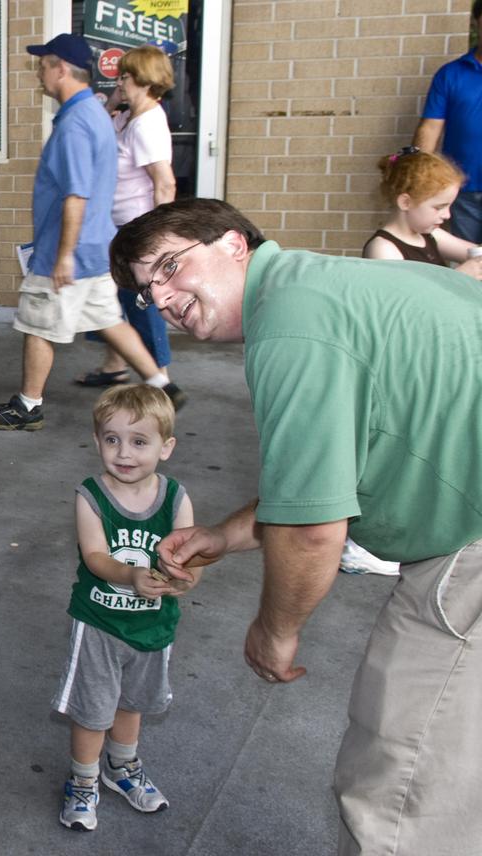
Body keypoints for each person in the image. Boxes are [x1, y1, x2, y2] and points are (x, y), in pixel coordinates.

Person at [108, 196, 482, 856]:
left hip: (468, 547)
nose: (160, 298)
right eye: (146, 291)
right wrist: (224, 535)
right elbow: (324, 473)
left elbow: (313, 527)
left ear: (233, 244)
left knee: (396, 788)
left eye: (168, 267)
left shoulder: (290, 325)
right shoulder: (320, 286)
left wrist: (274, 631)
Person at [0, 34, 184, 431]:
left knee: (38, 326)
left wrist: (63, 255)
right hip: (98, 246)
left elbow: (76, 195)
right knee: (110, 319)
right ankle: (162, 384)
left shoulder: (76, 123)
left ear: (59, 69)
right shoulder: (95, 114)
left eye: (42, 65)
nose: (38, 73)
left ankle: (28, 406)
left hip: (67, 248)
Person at [52, 384, 195, 832]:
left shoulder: (175, 498)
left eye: (139, 441)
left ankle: (122, 767)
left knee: (132, 703)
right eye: (111, 439)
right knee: (93, 708)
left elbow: (191, 558)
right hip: (99, 622)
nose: (124, 452)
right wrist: (132, 576)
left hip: (153, 627)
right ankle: (83, 779)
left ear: (165, 447)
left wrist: (181, 579)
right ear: (97, 442)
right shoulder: (90, 494)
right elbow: (95, 557)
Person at [78, 45, 179, 388]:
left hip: (137, 228)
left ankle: (159, 378)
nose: (119, 80)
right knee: (109, 298)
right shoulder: (126, 116)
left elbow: (164, 184)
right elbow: (100, 133)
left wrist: (157, 237)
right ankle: (114, 365)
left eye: (125, 75)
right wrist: (109, 103)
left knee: (141, 302)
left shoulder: (148, 123)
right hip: (114, 227)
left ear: (144, 80)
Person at [412, 0, 482, 244]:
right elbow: (430, 127)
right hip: (465, 191)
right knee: (470, 256)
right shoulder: (451, 74)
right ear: (477, 21)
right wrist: (416, 176)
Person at [362, 147, 482, 279]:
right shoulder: (383, 249)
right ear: (405, 203)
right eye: (439, 207)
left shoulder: (429, 235)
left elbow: (475, 252)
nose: (447, 215)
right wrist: (458, 277)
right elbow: (405, 297)